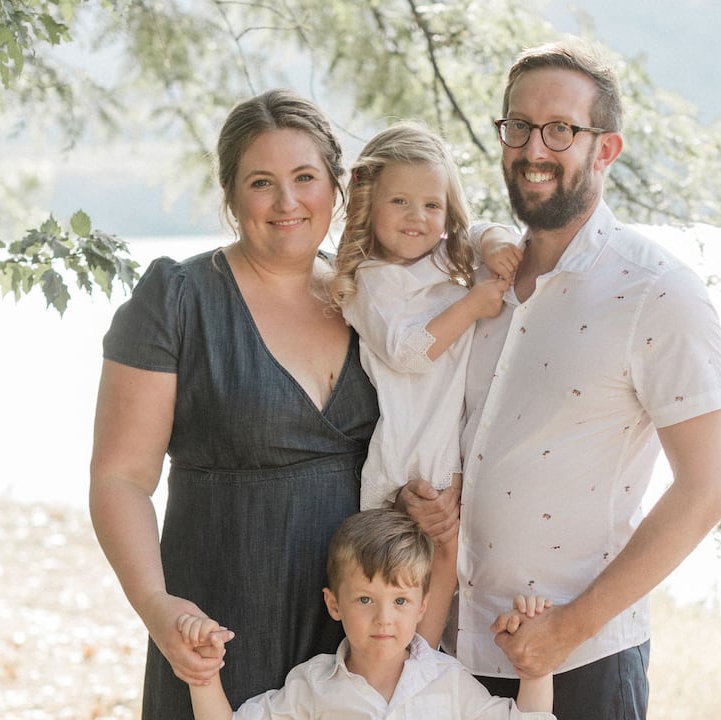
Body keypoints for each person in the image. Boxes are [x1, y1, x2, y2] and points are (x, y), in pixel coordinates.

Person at [400, 38, 721, 719]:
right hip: (450, 660)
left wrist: (567, 631)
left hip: (578, 662)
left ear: (604, 149)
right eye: (518, 126)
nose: (533, 149)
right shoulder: (476, 287)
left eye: (560, 130)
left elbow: (706, 491)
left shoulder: (657, 292)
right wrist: (438, 503)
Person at [89, 88, 380, 718]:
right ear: (230, 196)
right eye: (260, 182)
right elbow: (120, 477)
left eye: (305, 177)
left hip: (359, 635)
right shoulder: (178, 299)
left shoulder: (376, 299)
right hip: (218, 629)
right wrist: (157, 607)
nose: (287, 201)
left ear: (337, 186)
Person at [177, 508, 556, 719]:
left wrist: (536, 667)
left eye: (400, 601)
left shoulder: (448, 682)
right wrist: (203, 677)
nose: (384, 618)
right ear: (333, 604)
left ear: (422, 606)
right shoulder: (313, 686)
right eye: (364, 600)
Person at [328, 121, 516, 513]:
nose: (417, 216)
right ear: (369, 203)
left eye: (432, 205)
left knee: (452, 567)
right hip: (410, 461)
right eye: (399, 201)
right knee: (410, 567)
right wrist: (472, 306)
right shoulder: (371, 281)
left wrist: (496, 240)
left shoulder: (444, 258)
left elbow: (478, 231)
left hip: (455, 449)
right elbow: (408, 353)